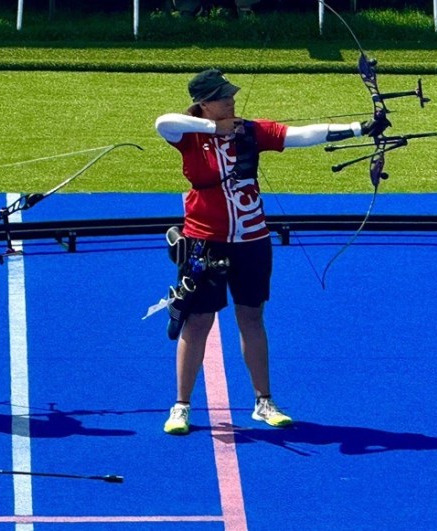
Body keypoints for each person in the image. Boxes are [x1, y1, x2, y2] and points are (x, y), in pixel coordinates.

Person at [154, 68, 389, 435]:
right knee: (197, 320)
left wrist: (360, 128)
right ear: (203, 104)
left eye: (231, 94)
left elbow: (301, 135)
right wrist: (216, 130)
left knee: (251, 316)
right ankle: (181, 406)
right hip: (205, 239)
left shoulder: (250, 131)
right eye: (222, 96)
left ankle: (264, 401)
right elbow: (162, 121)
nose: (231, 100)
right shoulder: (187, 134)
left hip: (252, 240)